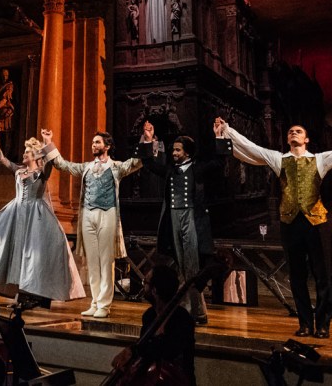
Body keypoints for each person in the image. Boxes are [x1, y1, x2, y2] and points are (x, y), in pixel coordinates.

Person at [214, 116, 332, 338]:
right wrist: (227, 131)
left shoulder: (320, 159)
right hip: (290, 224)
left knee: (322, 274)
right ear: (287, 140)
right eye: (290, 132)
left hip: (316, 224)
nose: (293, 133)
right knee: (297, 276)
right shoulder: (278, 159)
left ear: (306, 139)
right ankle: (305, 323)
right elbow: (251, 148)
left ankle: (323, 324)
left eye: (298, 131)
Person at [41, 122, 154, 318]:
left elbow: (137, 162)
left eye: (97, 142)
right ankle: (95, 301)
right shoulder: (86, 167)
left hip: (107, 214)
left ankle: (104, 304)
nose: (93, 145)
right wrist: (48, 143)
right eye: (93, 142)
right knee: (92, 261)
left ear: (107, 146)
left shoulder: (116, 167)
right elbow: (63, 164)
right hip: (88, 214)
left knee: (106, 261)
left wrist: (147, 140)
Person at [0, 130, 86, 310]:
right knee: (17, 253)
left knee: (31, 256)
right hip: (16, 214)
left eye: (27, 152)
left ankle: (31, 294)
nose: (24, 154)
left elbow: (49, 163)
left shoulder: (41, 173)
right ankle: (19, 295)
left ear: (35, 156)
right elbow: (3, 160)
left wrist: (48, 142)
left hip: (35, 216)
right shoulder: (19, 171)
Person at [142, 134, 217, 324]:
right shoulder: (170, 170)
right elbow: (150, 165)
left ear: (187, 152)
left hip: (191, 217)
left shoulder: (197, 168)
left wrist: (220, 138)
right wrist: (148, 141)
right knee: (183, 266)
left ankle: (195, 312)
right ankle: (195, 311)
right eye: (173, 150)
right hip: (173, 217)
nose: (174, 153)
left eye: (178, 150)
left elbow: (218, 163)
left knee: (192, 266)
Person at [111, 265, 196, 386]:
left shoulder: (182, 319)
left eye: (145, 283)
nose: (143, 286)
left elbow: (167, 350)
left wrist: (133, 350)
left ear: (154, 290)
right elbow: (145, 351)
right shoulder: (149, 316)